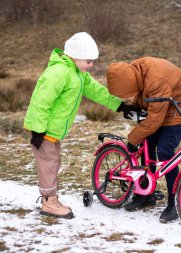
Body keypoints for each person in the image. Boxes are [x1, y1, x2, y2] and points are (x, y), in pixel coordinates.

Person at [24, 32, 131, 218]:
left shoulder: (78, 74)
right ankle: (48, 202)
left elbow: (97, 91)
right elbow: (41, 101)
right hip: (43, 130)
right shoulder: (58, 72)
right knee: (48, 165)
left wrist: (120, 105)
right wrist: (37, 130)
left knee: (54, 163)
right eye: (88, 61)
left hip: (53, 131)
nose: (91, 65)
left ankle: (51, 198)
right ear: (75, 56)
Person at [106, 57, 181, 223]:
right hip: (161, 108)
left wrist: (132, 140)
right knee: (148, 145)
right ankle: (145, 195)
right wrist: (134, 104)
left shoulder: (156, 80)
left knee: (164, 151)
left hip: (178, 112)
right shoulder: (137, 70)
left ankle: (174, 202)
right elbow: (142, 91)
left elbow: (155, 120)